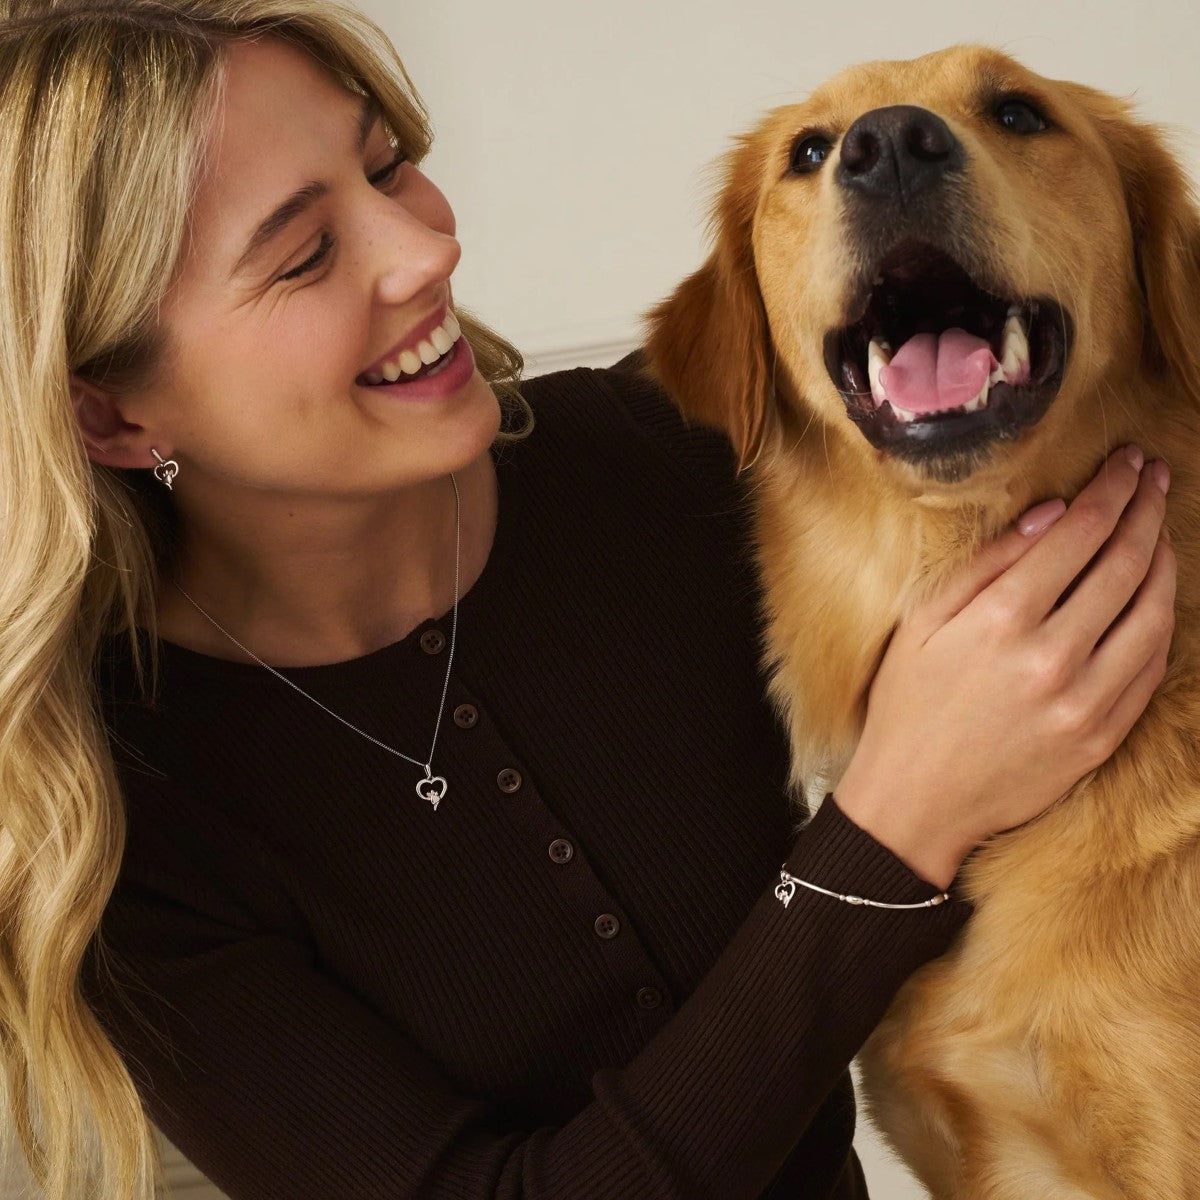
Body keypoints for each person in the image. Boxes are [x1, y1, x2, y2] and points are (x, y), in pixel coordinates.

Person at [0, 2, 1175, 1198]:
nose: (427, 253)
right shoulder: (112, 834)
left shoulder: (684, 464)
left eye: (388, 168)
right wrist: (895, 825)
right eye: (304, 254)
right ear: (113, 415)